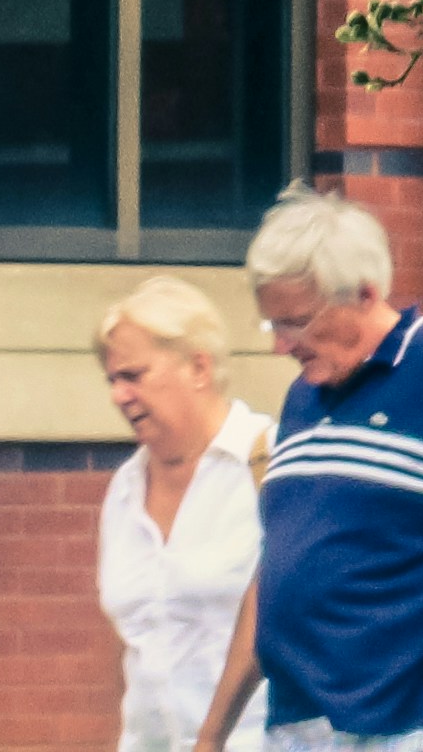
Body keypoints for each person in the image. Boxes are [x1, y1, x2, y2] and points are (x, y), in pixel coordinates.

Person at [189, 186, 423, 752]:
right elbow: (274, 578)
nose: (282, 346)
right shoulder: (303, 400)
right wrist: (211, 737)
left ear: (365, 295)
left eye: (296, 323)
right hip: (297, 726)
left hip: (409, 727)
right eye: (274, 326)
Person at [96, 277, 271, 752]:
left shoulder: (271, 465)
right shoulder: (124, 491)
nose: (119, 395)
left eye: (133, 375)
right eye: (112, 380)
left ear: (198, 367)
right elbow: (135, 647)